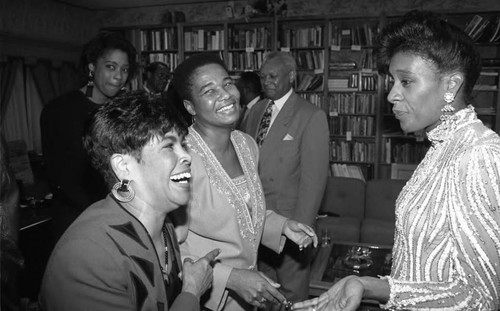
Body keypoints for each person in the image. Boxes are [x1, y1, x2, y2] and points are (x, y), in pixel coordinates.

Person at [293, 10, 500, 311]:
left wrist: (381, 290)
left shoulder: (479, 155)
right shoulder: (443, 147)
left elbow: (482, 299)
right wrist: (367, 284)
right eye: (392, 80)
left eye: (406, 81)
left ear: (451, 86)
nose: (391, 94)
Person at [39, 92, 220, 311]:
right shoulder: (88, 254)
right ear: (124, 167)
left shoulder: (165, 227)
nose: (187, 157)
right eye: (169, 146)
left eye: (183, 145)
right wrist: (191, 291)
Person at [170, 53, 318, 311]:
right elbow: (166, 247)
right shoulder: (180, 158)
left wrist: (282, 226)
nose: (226, 95)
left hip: (247, 297)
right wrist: (231, 278)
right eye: (209, 90)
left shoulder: (246, 144)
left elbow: (243, 210)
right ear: (190, 107)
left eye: (227, 83)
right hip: (203, 298)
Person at [241, 51, 329, 306]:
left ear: (291, 77)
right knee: (264, 293)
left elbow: (313, 181)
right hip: (257, 223)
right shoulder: (256, 111)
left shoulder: (310, 115)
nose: (266, 81)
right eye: (262, 76)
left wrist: (301, 229)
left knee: (291, 297)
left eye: (273, 76)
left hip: (290, 225)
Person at [40, 31, 138, 242]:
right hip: (77, 218)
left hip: (123, 211)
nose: (119, 76)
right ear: (92, 67)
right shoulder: (60, 110)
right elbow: (60, 175)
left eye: (124, 69)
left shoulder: (124, 110)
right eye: (111, 66)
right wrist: (101, 212)